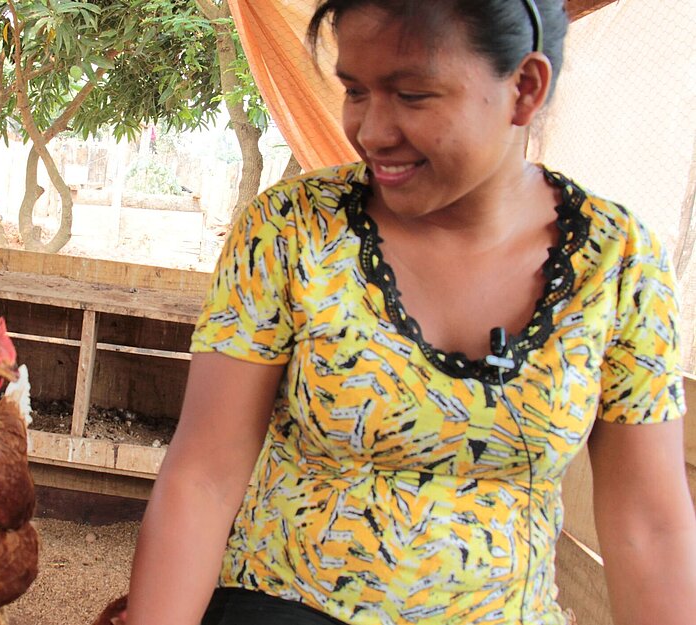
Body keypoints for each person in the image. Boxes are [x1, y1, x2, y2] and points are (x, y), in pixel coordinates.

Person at [126, 1, 695, 624]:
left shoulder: (616, 263)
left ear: (525, 89)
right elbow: (203, 478)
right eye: (355, 90)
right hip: (286, 606)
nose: (371, 131)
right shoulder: (291, 230)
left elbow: (650, 527)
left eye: (413, 95)